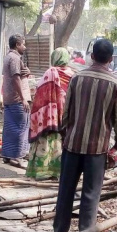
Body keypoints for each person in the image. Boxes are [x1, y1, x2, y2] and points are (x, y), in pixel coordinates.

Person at [54, 38, 117, 232]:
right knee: (90, 193)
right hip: (97, 149)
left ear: (92, 56)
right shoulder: (116, 85)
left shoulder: (77, 78)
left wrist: (64, 135)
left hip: (73, 144)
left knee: (66, 189)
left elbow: (66, 112)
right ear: (111, 59)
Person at [26, 48, 74, 180]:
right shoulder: (73, 75)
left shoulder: (50, 72)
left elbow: (40, 94)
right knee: (61, 140)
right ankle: (59, 172)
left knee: (46, 140)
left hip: (47, 116)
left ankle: (42, 171)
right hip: (65, 114)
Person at [1, 34, 32, 167]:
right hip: (17, 99)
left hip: (9, 98)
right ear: (17, 44)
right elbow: (15, 78)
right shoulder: (14, 58)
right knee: (21, 128)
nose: (24, 47)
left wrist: (27, 72)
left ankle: (8, 155)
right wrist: (23, 98)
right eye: (23, 44)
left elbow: (17, 75)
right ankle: (18, 157)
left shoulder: (9, 57)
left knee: (9, 128)